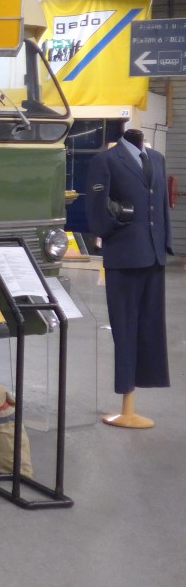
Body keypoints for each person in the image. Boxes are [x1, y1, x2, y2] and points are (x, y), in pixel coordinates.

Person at [84, 127, 172, 428]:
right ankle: (125, 393)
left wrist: (166, 241)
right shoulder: (106, 160)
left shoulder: (157, 159)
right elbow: (96, 205)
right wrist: (109, 233)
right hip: (123, 255)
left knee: (151, 326)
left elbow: (161, 204)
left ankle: (141, 388)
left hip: (154, 253)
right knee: (124, 328)